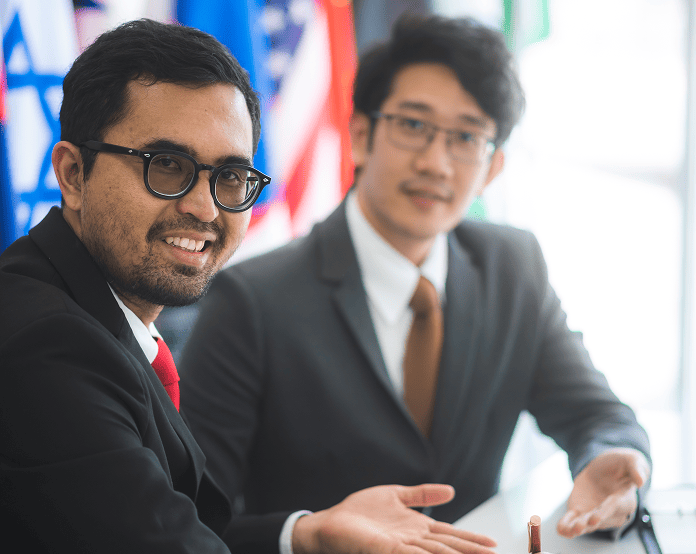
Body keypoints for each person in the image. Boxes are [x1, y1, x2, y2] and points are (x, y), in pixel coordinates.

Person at [0, 18, 501, 554]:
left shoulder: (94, 310)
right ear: (74, 174)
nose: (204, 207)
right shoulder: (46, 345)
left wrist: (306, 534)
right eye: (167, 166)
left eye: (231, 177)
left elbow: (171, 527)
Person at [179, 13, 652, 543]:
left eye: (466, 138)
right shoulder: (250, 299)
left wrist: (614, 460)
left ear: (492, 168)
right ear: (361, 135)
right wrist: (306, 536)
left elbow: (597, 415)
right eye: (413, 125)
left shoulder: (513, 268)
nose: (436, 163)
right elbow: (193, 518)